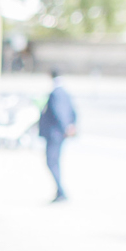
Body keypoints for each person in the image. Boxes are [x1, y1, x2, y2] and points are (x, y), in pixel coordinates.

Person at [39, 71, 78, 203]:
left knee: (51, 161)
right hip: (60, 132)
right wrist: (72, 125)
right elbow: (73, 111)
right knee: (54, 162)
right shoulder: (65, 92)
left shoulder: (56, 93)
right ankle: (59, 191)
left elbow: (59, 111)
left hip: (55, 133)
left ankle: (60, 191)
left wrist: (66, 127)